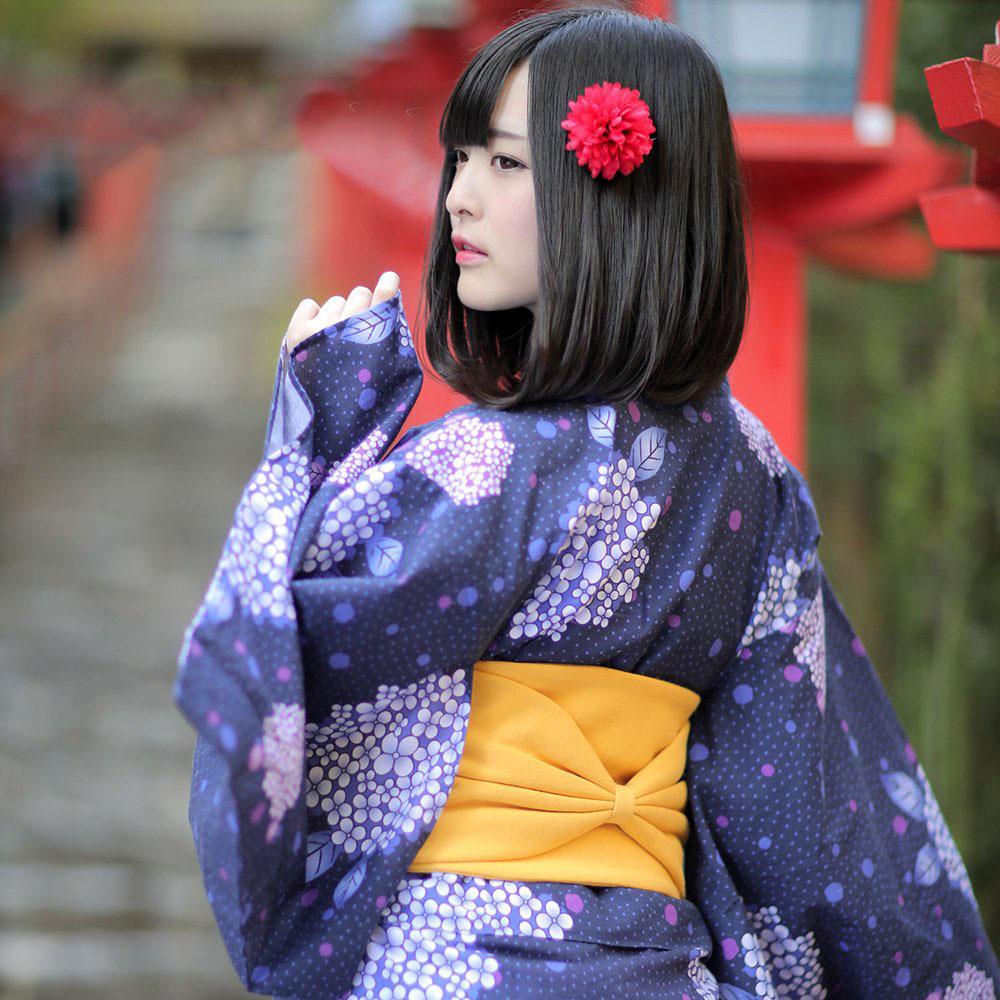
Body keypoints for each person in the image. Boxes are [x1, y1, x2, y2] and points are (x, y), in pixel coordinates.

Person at [174, 5, 999, 999]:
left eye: (507, 165)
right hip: (657, 959)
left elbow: (280, 637)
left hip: (456, 958)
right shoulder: (752, 470)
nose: (457, 202)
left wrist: (316, 422)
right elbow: (802, 789)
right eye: (460, 158)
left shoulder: (485, 464)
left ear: (614, 193)